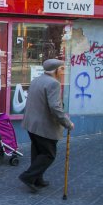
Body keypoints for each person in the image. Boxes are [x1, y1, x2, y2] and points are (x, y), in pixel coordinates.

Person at [19, 59, 74, 193]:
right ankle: (28, 177)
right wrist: (67, 123)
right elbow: (55, 107)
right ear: (55, 70)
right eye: (62, 69)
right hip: (44, 126)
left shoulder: (37, 80)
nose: (63, 72)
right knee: (48, 154)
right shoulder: (53, 83)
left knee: (38, 152)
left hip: (32, 124)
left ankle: (37, 178)